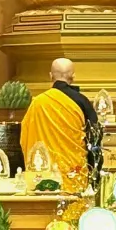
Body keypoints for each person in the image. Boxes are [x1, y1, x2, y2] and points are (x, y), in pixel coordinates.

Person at [19, 58, 97, 191]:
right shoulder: (82, 102)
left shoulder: (38, 103)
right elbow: (94, 139)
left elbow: (25, 138)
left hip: (42, 173)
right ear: (73, 76)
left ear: (50, 76)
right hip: (74, 173)